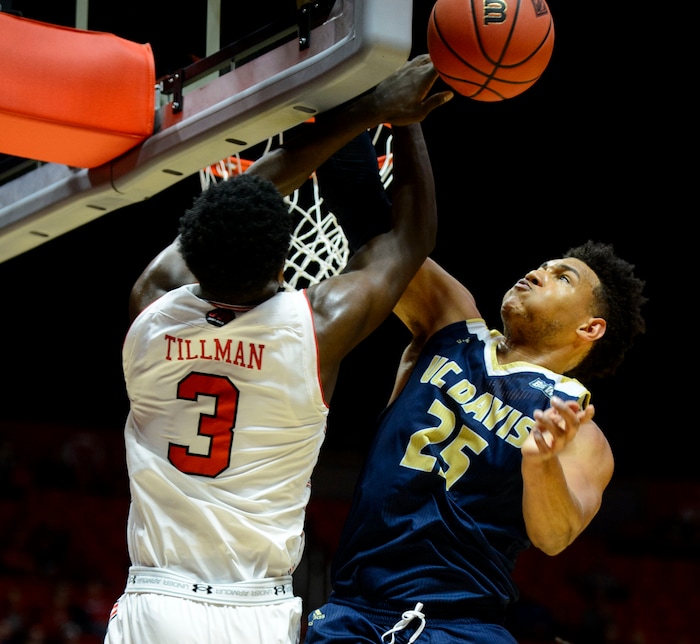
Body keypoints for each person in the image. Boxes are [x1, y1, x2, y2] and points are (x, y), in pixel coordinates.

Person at [104, 54, 453, 644]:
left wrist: (377, 109)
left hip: (155, 602)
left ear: (196, 253)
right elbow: (410, 238)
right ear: (283, 262)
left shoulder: (151, 305)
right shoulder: (315, 327)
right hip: (253, 613)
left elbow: (236, 203)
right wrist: (398, 116)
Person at [304, 137, 647, 643]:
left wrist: (541, 464)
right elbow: (372, 223)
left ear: (590, 327)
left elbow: (555, 536)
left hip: (460, 627)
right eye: (544, 265)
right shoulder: (451, 322)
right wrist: (380, 116)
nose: (538, 272)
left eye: (562, 277)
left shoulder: (579, 431)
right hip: (352, 610)